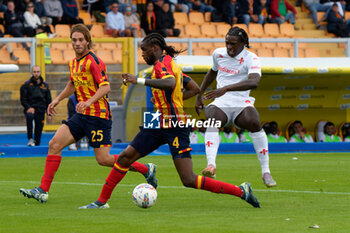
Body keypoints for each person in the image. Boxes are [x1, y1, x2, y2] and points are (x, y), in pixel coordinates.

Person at [79, 32, 260, 209]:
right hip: (158, 119)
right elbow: (194, 88)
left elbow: (170, 83)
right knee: (126, 157)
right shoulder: (169, 64)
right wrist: (166, 100)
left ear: (155, 48)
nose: (142, 54)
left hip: (174, 124)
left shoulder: (161, 65)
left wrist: (138, 80)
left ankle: (241, 191)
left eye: (145, 50)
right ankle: (101, 202)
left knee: (188, 179)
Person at [19, 24, 157, 204]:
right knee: (54, 144)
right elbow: (72, 84)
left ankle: (145, 169)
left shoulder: (94, 61)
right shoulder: (73, 63)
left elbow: (106, 87)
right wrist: (57, 100)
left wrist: (88, 102)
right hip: (82, 116)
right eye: (74, 40)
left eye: (80, 40)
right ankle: (42, 191)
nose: (77, 43)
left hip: (98, 116)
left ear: (87, 41)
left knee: (104, 159)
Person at [195, 26, 277, 188]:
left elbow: (254, 82)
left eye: (233, 44)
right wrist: (199, 94)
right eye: (227, 43)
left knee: (254, 121)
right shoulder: (218, 54)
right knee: (212, 119)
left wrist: (226, 88)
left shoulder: (252, 59)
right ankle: (211, 165)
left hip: (241, 102)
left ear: (243, 43)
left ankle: (266, 171)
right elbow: (212, 72)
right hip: (221, 102)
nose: (229, 47)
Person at [20, 66, 52, 147]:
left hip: (41, 109)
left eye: (38, 72)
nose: (36, 74)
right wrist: (28, 108)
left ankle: (37, 143)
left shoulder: (45, 85)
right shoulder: (26, 84)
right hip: (31, 109)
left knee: (39, 128)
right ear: (32, 73)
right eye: (34, 72)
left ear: (40, 72)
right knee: (30, 117)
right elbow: (23, 99)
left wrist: (49, 114)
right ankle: (30, 138)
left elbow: (49, 100)